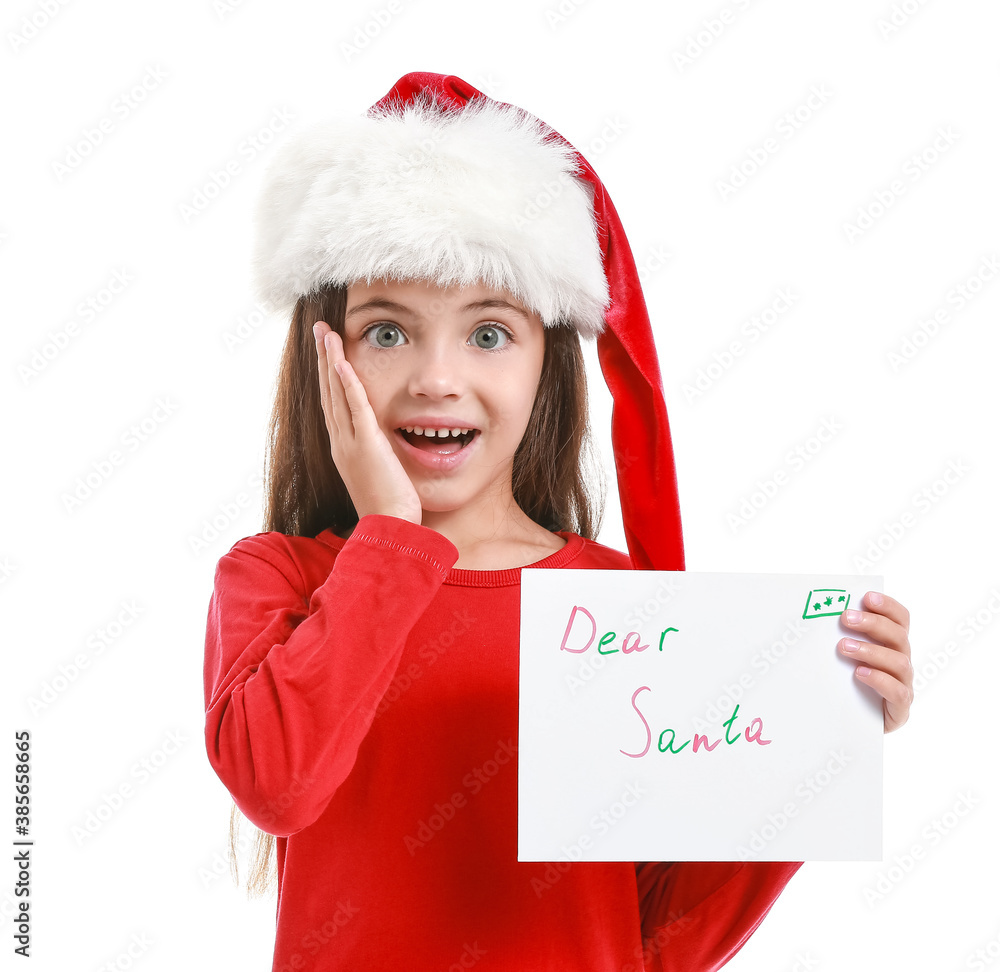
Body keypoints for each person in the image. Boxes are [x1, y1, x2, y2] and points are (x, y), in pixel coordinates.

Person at [203, 72, 913, 971]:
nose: (436, 378)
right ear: (325, 352)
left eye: (489, 333)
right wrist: (388, 534)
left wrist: (819, 734)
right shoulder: (276, 579)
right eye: (387, 332)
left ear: (549, 364)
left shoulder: (622, 608)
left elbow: (657, 936)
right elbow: (279, 784)